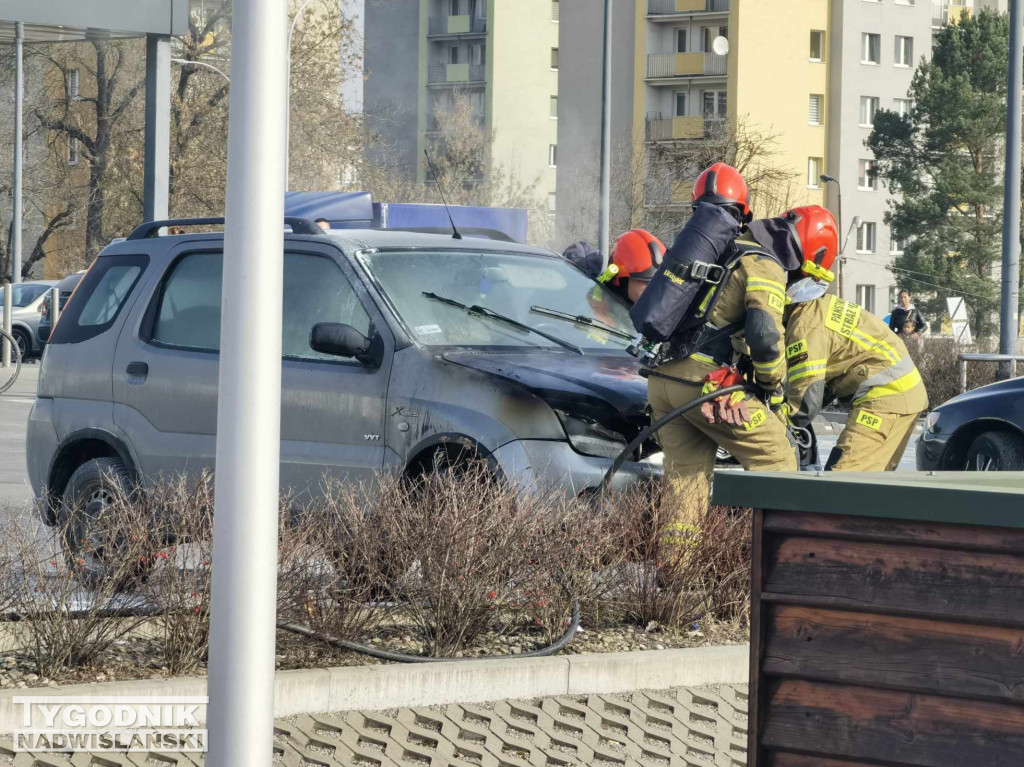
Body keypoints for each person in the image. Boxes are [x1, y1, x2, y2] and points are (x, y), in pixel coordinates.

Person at [644, 163, 797, 527]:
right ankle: (776, 566)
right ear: (746, 213)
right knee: (779, 462)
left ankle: (676, 575)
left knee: (686, 483)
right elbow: (764, 334)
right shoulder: (760, 261)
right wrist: (773, 387)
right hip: (706, 386)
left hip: (663, 382)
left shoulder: (692, 254)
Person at [783, 225, 929, 472]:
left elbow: (804, 403)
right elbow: (826, 383)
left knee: (841, 483)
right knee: (869, 491)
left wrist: (768, 422)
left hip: (887, 399)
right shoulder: (822, 306)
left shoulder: (805, 327)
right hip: (902, 393)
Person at [605, 229, 666, 304]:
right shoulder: (599, 309)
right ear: (618, 279)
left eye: (658, 282)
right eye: (647, 282)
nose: (654, 289)